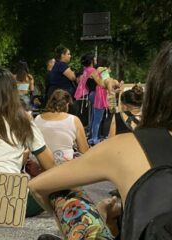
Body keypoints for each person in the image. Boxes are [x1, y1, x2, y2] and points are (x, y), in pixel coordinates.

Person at [28, 42, 172, 240]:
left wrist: (99, 217)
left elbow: (38, 186)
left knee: (65, 195)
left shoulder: (128, 145)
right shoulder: (77, 113)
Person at [0, 68, 54, 217]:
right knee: (56, 184)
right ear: (12, 94)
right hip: (8, 200)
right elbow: (50, 165)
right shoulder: (22, 122)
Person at [35, 89, 89, 165]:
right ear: (67, 103)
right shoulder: (74, 120)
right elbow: (84, 150)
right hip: (64, 165)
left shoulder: (37, 118)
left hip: (39, 164)